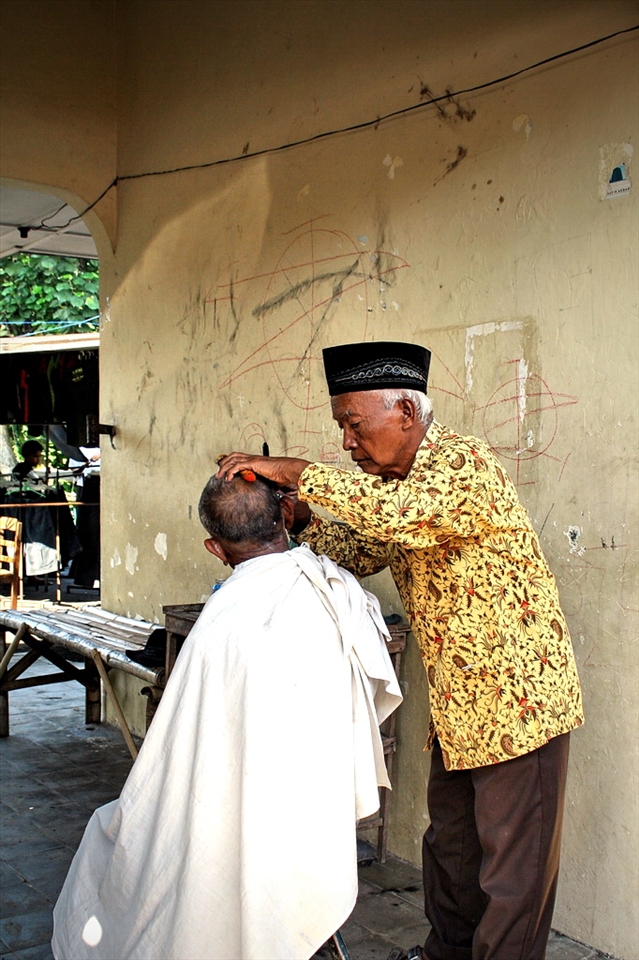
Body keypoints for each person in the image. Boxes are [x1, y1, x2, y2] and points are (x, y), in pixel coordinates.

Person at [217, 340, 585, 960]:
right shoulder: (400, 490)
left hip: (522, 710)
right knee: (452, 855)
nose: (347, 443)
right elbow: (366, 549)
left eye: (353, 425)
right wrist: (302, 519)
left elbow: (395, 517)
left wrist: (299, 472)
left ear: (405, 414)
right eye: (342, 429)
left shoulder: (462, 464)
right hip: (462, 712)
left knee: (513, 877)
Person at [52, 473, 402, 960]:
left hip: (248, 799)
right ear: (284, 517)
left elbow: (182, 752)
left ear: (215, 549)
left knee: (129, 835)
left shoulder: (221, 621)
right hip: (309, 801)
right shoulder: (334, 591)